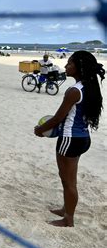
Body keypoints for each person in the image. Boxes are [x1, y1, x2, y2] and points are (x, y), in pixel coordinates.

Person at [34, 51, 104, 227]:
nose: (65, 66)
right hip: (82, 138)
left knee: (68, 181)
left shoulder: (74, 91)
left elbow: (58, 118)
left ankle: (68, 219)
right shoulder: (89, 87)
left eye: (69, 64)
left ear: (79, 67)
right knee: (67, 178)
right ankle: (66, 209)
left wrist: (40, 130)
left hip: (70, 140)